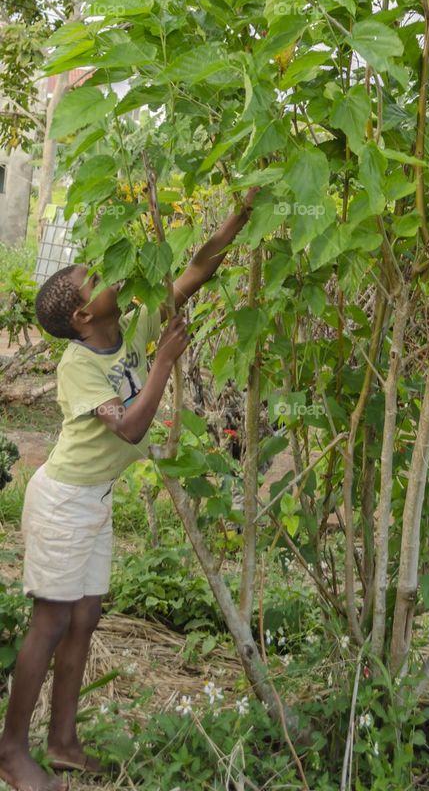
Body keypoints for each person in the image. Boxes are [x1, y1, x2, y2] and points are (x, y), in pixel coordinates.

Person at [0, 190, 256, 791]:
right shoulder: (78, 365)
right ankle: (11, 751)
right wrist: (165, 363)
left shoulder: (134, 320)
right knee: (52, 619)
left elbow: (197, 266)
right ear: (83, 317)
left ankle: (62, 741)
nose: (107, 271)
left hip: (95, 498)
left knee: (86, 615)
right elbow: (133, 425)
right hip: (62, 501)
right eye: (94, 279)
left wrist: (239, 216)